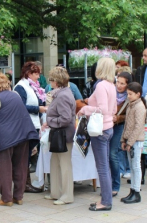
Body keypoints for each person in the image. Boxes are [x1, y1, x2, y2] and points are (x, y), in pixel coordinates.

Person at [0, 72, 39, 206]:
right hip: (22, 135)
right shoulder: (16, 96)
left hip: (4, 139)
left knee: (4, 168)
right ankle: (18, 197)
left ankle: (6, 199)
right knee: (21, 166)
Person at [78, 58, 117, 211]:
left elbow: (103, 109)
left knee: (102, 167)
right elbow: (112, 110)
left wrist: (85, 109)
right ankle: (106, 199)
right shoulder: (111, 85)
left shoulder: (101, 85)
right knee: (104, 166)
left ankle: (106, 202)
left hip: (99, 130)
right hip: (108, 128)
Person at [44, 67, 76, 205]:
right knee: (55, 163)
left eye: (51, 79)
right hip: (60, 133)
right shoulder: (63, 93)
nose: (50, 82)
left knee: (64, 164)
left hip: (63, 134)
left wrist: (50, 121)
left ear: (56, 81)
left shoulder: (62, 95)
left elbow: (65, 118)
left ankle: (67, 195)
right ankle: (56, 192)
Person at [14, 61, 46, 193]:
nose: (38, 76)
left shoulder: (31, 86)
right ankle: (24, 184)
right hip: (26, 125)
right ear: (28, 73)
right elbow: (21, 107)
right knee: (24, 156)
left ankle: (24, 183)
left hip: (33, 124)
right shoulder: (20, 87)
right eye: (36, 73)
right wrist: (38, 108)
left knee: (26, 155)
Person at [120, 82, 146, 204]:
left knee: (136, 166)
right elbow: (127, 125)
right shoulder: (131, 105)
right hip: (130, 140)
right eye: (127, 94)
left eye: (130, 94)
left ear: (138, 94)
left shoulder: (139, 107)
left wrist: (130, 142)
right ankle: (132, 191)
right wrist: (123, 139)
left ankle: (136, 191)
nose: (128, 96)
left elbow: (138, 126)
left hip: (136, 141)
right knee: (132, 167)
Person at [109, 72, 132, 197]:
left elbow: (129, 115)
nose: (119, 85)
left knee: (113, 154)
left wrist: (117, 118)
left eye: (122, 83)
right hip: (107, 125)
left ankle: (116, 185)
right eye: (118, 82)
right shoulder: (111, 92)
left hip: (118, 126)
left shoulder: (129, 97)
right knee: (108, 154)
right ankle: (109, 182)